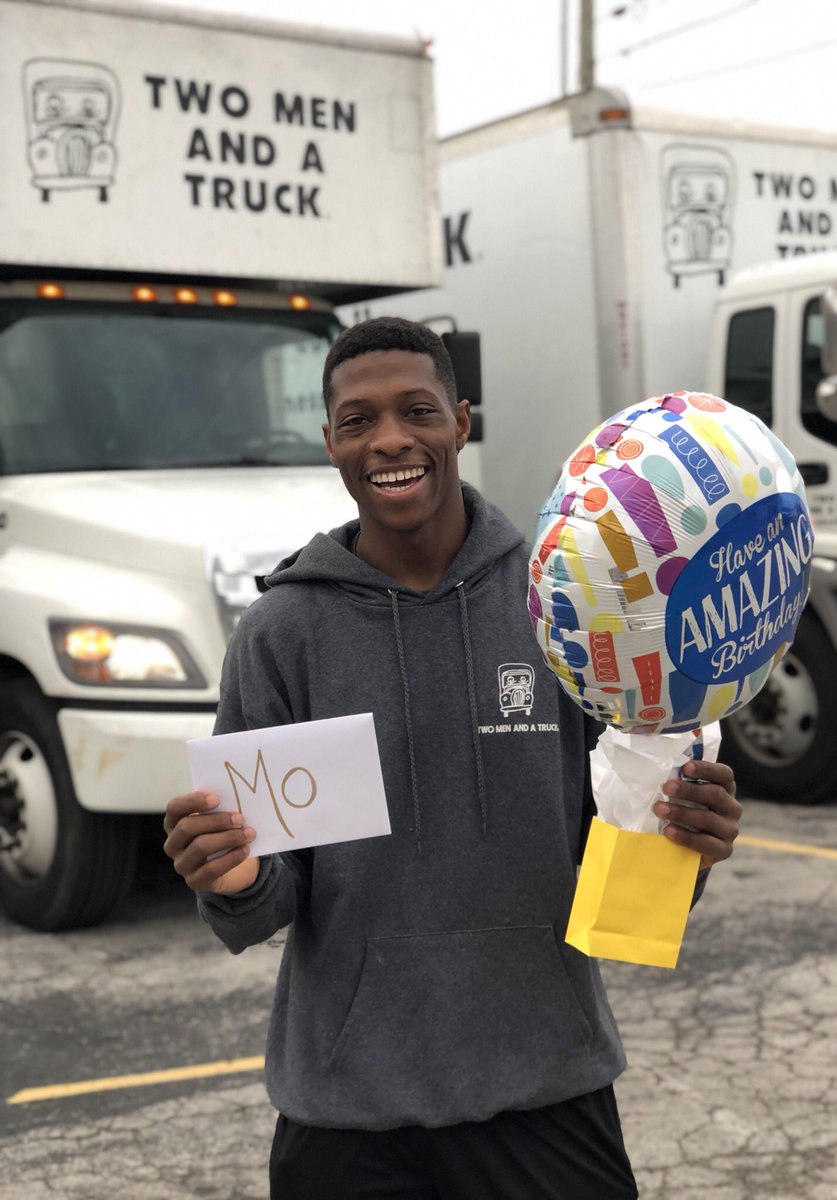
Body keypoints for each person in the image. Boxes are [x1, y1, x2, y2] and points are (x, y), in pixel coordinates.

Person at [163, 317, 742, 1200]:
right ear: (330, 443)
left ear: (461, 422)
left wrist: (682, 842)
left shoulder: (566, 601)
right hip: (347, 1109)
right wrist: (231, 877)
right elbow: (259, 909)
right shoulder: (281, 633)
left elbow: (620, 861)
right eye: (358, 421)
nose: (390, 439)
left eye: (418, 411)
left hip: (549, 1084)